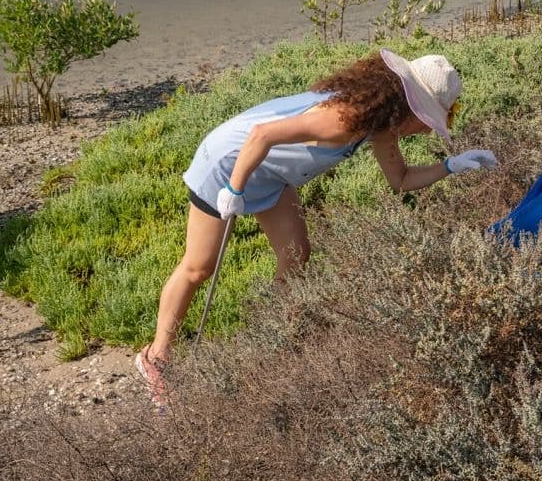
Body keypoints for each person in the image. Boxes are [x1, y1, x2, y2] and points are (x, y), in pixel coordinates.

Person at [135, 50, 498, 404]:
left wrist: (451, 166)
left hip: (271, 174)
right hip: (230, 163)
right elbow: (261, 135)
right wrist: (234, 188)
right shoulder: (343, 118)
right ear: (410, 106)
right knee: (200, 267)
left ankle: (271, 336)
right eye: (427, 119)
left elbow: (400, 179)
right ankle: (156, 358)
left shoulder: (379, 125)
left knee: (296, 255)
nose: (427, 130)